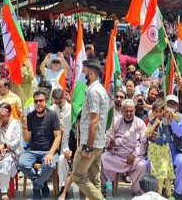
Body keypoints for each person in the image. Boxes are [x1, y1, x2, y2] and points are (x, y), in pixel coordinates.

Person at [72, 59, 109, 200]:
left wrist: (87, 148)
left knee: (78, 176)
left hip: (91, 144)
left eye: (84, 71)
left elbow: (94, 121)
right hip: (98, 143)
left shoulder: (93, 92)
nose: (81, 74)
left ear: (91, 73)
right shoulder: (100, 90)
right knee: (94, 180)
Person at [19, 89, 62, 199]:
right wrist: (24, 126)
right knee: (22, 164)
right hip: (33, 150)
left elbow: (58, 136)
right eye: (36, 101)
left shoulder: (52, 115)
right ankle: (41, 183)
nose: (38, 103)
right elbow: (27, 139)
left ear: (46, 101)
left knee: (49, 165)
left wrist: (51, 153)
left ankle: (36, 187)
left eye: (41, 101)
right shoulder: (30, 116)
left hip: (48, 150)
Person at [101, 99, 148, 196]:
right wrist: (110, 144)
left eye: (131, 111)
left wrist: (134, 155)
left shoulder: (140, 123)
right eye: (126, 111)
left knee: (142, 165)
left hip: (133, 156)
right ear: (122, 111)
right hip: (117, 155)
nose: (129, 113)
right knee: (103, 158)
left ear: (134, 111)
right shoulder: (116, 121)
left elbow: (143, 143)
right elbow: (107, 139)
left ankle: (136, 191)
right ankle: (106, 188)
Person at [145, 100, 175, 198]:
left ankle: (170, 194)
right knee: (159, 175)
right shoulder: (151, 122)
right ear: (153, 112)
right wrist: (155, 125)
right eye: (156, 111)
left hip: (165, 151)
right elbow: (147, 134)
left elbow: (175, 120)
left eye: (160, 111)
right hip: (156, 152)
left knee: (166, 175)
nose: (158, 114)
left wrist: (169, 113)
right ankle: (158, 195)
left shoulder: (166, 120)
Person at [49, 88, 72, 192]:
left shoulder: (71, 109)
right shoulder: (50, 110)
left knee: (63, 159)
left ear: (64, 97)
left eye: (60, 102)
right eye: (56, 102)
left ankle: (63, 188)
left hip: (67, 143)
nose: (59, 104)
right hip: (53, 143)